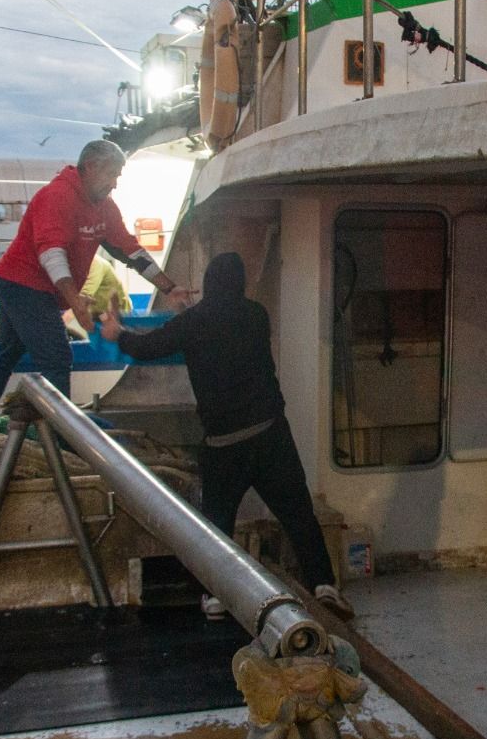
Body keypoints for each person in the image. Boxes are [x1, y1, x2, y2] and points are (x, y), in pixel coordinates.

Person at [116, 251, 355, 621]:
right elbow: (221, 329)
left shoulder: (193, 322)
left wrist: (116, 334)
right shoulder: (256, 315)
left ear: (208, 283)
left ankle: (216, 597)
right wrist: (189, 313)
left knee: (217, 525)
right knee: (297, 513)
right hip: (270, 434)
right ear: (240, 284)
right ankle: (324, 585)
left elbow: (149, 347)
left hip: (224, 444)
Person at [0, 140, 188, 411]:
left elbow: (130, 250)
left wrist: (169, 287)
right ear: (91, 167)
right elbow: (51, 253)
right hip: (20, 282)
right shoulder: (56, 196)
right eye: (112, 174)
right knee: (57, 357)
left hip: (39, 287)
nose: (115, 184)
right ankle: (60, 429)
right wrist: (74, 300)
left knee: (7, 353)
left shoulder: (105, 207)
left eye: (118, 176)